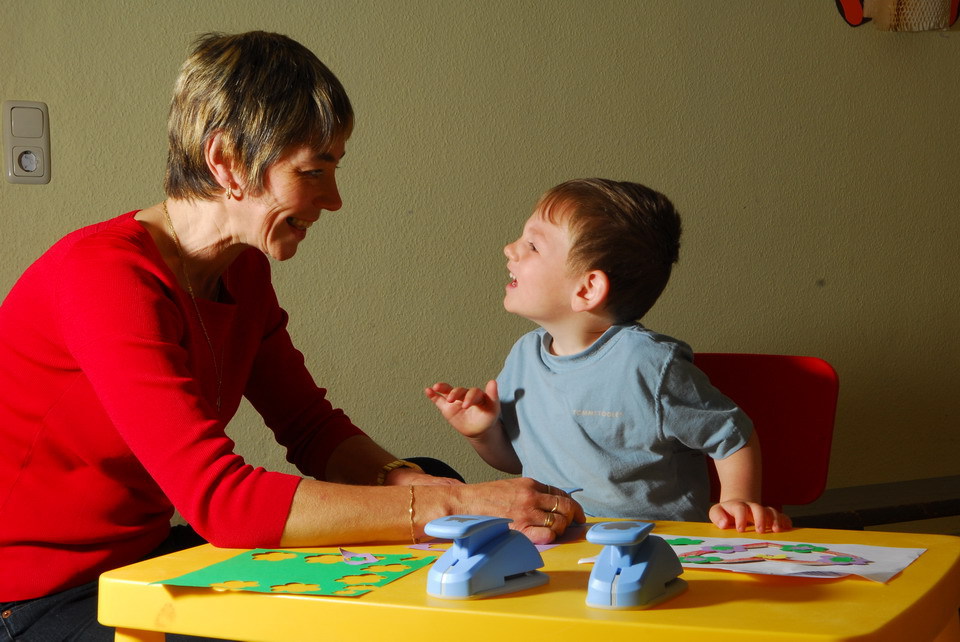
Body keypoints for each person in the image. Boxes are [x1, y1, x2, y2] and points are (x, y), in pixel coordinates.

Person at [0, 31, 582, 641]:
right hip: (36, 599)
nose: (332, 199)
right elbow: (220, 500)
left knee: (421, 474)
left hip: (140, 563)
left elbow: (310, 428)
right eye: (313, 170)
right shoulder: (103, 276)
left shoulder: (242, 272)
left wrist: (418, 486)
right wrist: (455, 506)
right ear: (224, 161)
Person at [426, 178, 791, 534]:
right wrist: (482, 434)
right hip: (560, 540)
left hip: (658, 545)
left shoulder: (648, 364)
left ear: (587, 289)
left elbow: (731, 435)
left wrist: (738, 501)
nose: (510, 248)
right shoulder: (523, 357)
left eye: (533, 245)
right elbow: (518, 460)